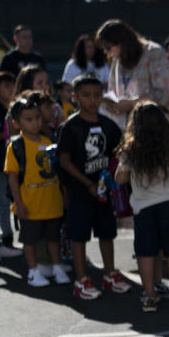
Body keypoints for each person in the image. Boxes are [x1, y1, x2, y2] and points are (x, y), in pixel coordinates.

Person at [96, 19, 169, 211]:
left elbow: (165, 93)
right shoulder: (117, 61)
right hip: (135, 131)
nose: (107, 53)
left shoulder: (153, 53)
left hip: (164, 127)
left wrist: (132, 103)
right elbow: (115, 93)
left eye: (108, 47)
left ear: (121, 42)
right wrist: (112, 104)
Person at [55, 74, 130, 300]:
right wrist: (87, 183)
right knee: (79, 237)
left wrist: (114, 179)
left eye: (97, 95)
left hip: (104, 192)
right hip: (80, 192)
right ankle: (82, 280)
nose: (93, 100)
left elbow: (120, 152)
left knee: (107, 233)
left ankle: (109, 275)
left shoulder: (109, 125)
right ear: (75, 97)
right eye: (86, 96)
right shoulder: (70, 127)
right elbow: (65, 161)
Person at [114, 103, 169, 311]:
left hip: (143, 208)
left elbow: (120, 178)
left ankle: (149, 295)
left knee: (145, 252)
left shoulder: (130, 152)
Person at [3, 96, 68, 287]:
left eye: (37, 118)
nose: (34, 123)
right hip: (30, 204)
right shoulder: (16, 146)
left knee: (53, 238)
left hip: (52, 201)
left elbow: (58, 172)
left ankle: (56, 266)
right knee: (30, 241)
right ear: (17, 123)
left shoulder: (49, 140)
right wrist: (19, 203)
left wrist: (64, 195)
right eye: (28, 119)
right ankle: (33, 271)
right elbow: (12, 177)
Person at [0, 72, 18, 256]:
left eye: (11, 85)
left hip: (19, 162)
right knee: (3, 199)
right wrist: (7, 133)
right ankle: (6, 235)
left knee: (18, 198)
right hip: (0, 162)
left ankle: (23, 236)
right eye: (5, 86)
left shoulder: (18, 107)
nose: (10, 90)